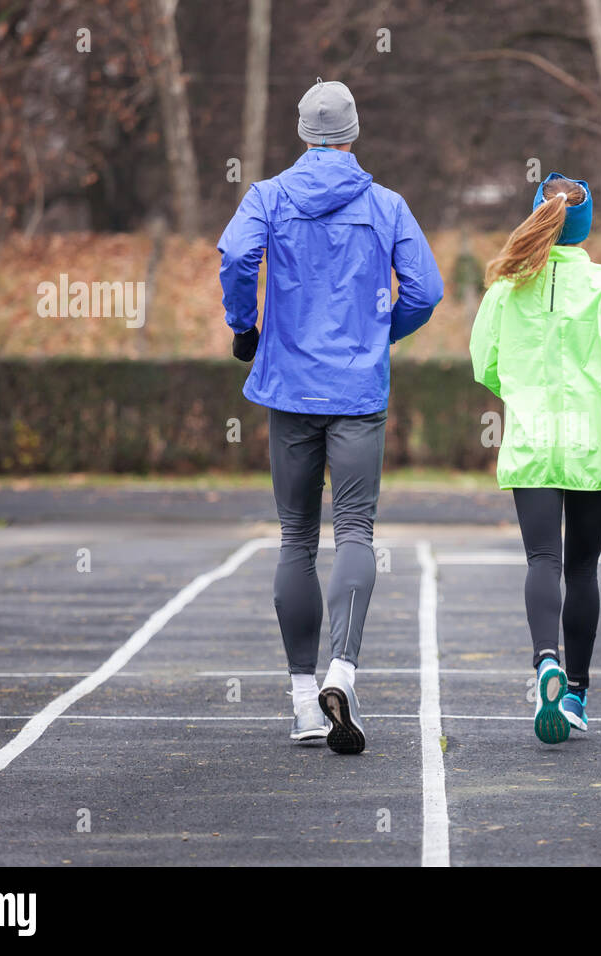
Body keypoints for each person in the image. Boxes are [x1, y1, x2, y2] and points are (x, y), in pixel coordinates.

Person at [218, 77, 443, 752]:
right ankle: (342, 670)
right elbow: (426, 290)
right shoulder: (386, 204)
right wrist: (382, 334)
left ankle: (301, 702)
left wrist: (244, 324)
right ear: (352, 134)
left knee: (294, 537)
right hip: (357, 394)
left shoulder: (269, 196)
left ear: (301, 132)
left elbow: (235, 255)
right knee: (354, 532)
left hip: (290, 388)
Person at [469, 172, 601, 744]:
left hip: (532, 441)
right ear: (585, 227)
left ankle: (545, 662)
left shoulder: (506, 287)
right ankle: (576, 690)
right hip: (591, 446)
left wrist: (523, 391)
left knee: (542, 563)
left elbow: (484, 362)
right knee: (583, 570)